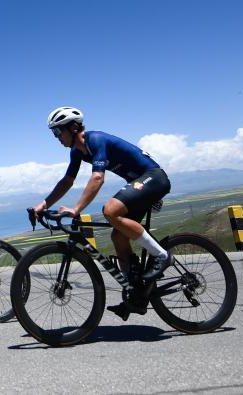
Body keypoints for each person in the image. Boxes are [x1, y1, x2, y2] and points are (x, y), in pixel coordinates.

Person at [32, 107, 172, 316]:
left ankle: (162, 255)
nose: (56, 137)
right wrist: (43, 204)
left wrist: (76, 209)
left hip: (154, 177)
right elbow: (67, 181)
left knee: (110, 210)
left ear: (73, 127)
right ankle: (136, 293)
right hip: (139, 183)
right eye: (54, 133)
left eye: (58, 131)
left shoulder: (95, 140)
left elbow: (97, 178)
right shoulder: (77, 151)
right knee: (118, 237)